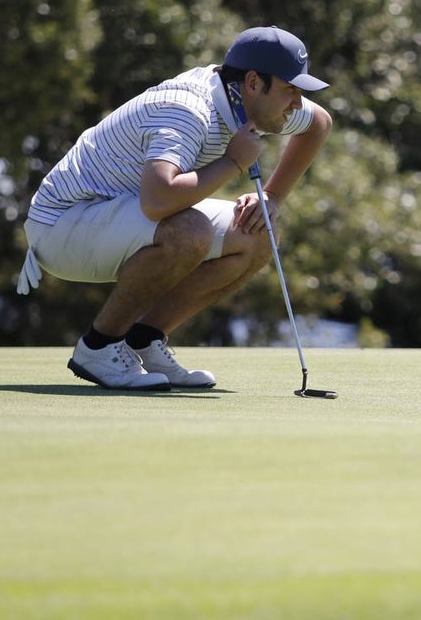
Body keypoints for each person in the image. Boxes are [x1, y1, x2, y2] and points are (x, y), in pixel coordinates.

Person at [16, 26, 332, 390]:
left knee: (258, 232)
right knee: (190, 231)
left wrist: (272, 198)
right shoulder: (187, 111)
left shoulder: (252, 99)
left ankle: (144, 338)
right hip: (63, 226)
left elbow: (319, 124)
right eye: (291, 89)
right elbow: (157, 202)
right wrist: (233, 162)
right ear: (253, 82)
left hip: (113, 218)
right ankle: (99, 347)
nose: (296, 102)